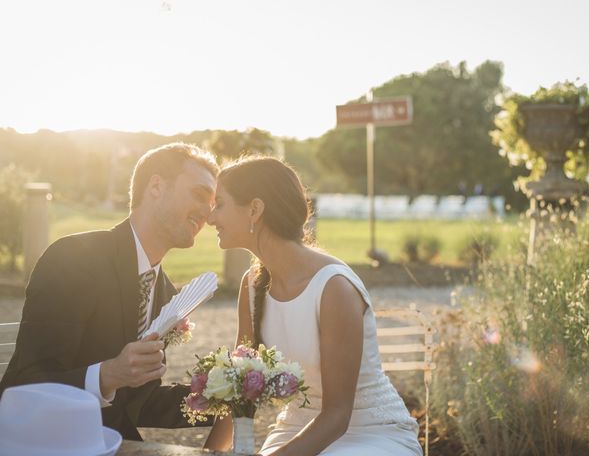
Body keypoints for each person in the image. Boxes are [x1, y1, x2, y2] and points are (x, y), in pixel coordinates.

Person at [0, 143, 218, 440]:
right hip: (43, 441)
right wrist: (108, 374)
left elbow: (137, 402)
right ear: (156, 186)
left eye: (214, 203)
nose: (208, 212)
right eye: (199, 195)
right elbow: (24, 385)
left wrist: (223, 396)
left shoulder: (165, 291)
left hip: (108, 440)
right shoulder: (74, 258)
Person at [204, 156, 422, 455]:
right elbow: (239, 390)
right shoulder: (252, 285)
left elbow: (337, 417)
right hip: (297, 428)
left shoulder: (334, 288)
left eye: (219, 205)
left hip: (369, 434)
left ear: (254, 209)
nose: (210, 218)